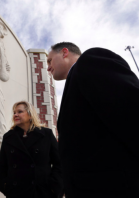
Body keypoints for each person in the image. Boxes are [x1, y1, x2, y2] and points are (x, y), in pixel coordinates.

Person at [47, 42, 139, 198]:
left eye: (49, 60)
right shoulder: (74, 83)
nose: (48, 67)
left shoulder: (89, 61)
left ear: (64, 52)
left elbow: (130, 108)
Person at [0, 101, 63, 198]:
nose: (15, 115)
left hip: (42, 191)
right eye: (14, 112)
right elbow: (2, 165)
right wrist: (4, 185)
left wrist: (55, 186)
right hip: (16, 191)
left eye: (20, 112)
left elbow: (60, 162)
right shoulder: (8, 137)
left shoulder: (46, 134)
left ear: (30, 115)